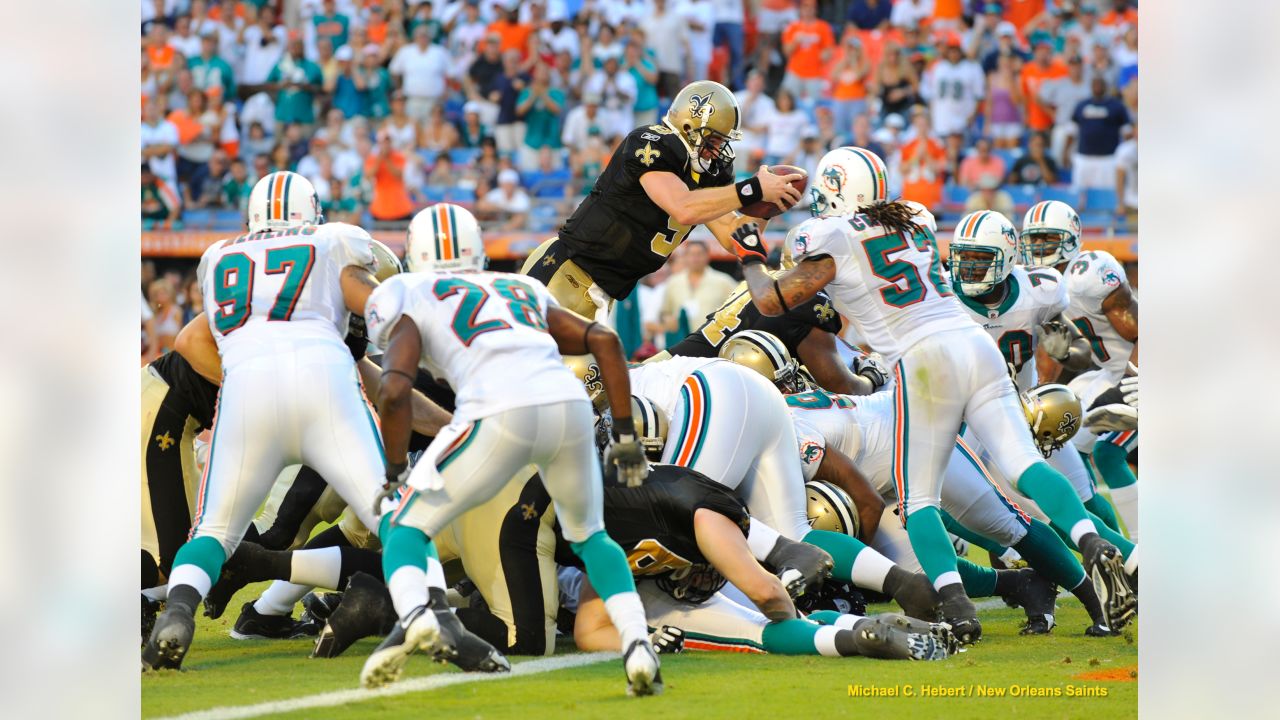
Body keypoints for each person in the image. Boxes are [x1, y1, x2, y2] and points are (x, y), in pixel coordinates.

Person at [726, 146, 1133, 644]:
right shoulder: (914, 218)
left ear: (837, 192)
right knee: (1025, 464)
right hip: (974, 345)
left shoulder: (830, 236)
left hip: (923, 362)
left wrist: (748, 252)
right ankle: (1090, 543)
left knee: (920, 498)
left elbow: (770, 299)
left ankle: (960, 611)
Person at [360, 202, 662, 695]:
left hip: (498, 410)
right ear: (477, 245)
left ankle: (417, 616)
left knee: (402, 522)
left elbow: (393, 391)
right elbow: (604, 341)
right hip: (568, 409)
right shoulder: (519, 287)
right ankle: (636, 644)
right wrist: (625, 436)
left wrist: (396, 471)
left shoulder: (407, 291)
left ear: (414, 251)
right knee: (591, 538)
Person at [142, 172, 392, 671]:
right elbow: (190, 343)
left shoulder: (219, 256)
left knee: (210, 534)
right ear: (311, 213)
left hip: (246, 398)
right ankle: (427, 612)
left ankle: (181, 613)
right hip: (282, 390)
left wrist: (246, 379)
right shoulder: (335, 240)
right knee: (394, 513)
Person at [785, 384, 1123, 635]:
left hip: (908, 437)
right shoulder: (771, 428)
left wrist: (845, 575)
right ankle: (1022, 584)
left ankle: (1098, 601)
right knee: (908, 578)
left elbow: (868, 503)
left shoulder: (790, 435)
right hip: (871, 465)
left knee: (1007, 524)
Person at [520, 80, 802, 321]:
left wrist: (767, 207)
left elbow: (733, 237)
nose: (718, 151)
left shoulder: (709, 171)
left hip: (604, 291)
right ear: (690, 125)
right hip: (566, 271)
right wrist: (753, 189)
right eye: (714, 140)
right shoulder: (650, 142)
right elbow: (683, 208)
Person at [1021, 201, 1140, 543]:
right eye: (1033, 239)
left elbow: (1138, 329)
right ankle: (1119, 548)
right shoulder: (1042, 285)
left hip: (1134, 373)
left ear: (1071, 238)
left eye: (1047, 238)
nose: (1039, 247)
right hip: (1109, 374)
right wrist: (1064, 353)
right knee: (1075, 445)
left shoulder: (1089, 273)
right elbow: (1083, 353)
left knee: (1106, 452)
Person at [657, 240, 738, 335]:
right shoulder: (674, 282)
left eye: (699, 254)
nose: (695, 258)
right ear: (685, 257)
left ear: (707, 256)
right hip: (681, 341)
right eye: (691, 254)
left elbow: (738, 308)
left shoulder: (723, 281)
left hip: (712, 340)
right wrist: (667, 319)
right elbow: (664, 311)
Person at [1069, 76, 1131, 193]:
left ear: (1105, 86)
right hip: (1084, 157)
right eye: (1095, 84)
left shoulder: (1116, 106)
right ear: (1091, 87)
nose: (1097, 87)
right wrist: (1065, 152)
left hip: (1108, 158)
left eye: (1100, 84)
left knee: (1108, 193)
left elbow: (1127, 132)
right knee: (1080, 194)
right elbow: (1072, 131)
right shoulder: (1082, 105)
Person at [922, 38, 985, 139]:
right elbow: (930, 95)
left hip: (963, 118)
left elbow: (979, 95)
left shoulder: (972, 67)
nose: (953, 54)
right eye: (951, 51)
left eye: (956, 50)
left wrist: (973, 115)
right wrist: (931, 117)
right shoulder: (937, 67)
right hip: (941, 118)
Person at [390, 24, 452, 123]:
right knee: (413, 130)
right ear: (415, 37)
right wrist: (399, 87)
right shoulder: (406, 51)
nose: (423, 38)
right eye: (420, 35)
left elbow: (451, 73)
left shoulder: (440, 52)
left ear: (429, 37)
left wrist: (446, 89)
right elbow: (394, 71)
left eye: (425, 35)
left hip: (434, 101)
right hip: (412, 100)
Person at [1040, 54, 1092, 169]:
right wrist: (1051, 113)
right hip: (1063, 124)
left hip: (1082, 128)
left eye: (1078, 66)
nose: (1075, 69)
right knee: (1057, 158)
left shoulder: (1088, 85)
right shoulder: (1060, 83)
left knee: (1077, 160)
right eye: (1073, 66)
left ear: (1082, 67)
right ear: (1069, 67)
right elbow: (1040, 97)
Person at [780, 0, 834, 104]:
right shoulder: (792, 27)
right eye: (805, 7)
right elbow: (786, 51)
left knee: (816, 104)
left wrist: (825, 55)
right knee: (786, 100)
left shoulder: (823, 27)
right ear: (800, 9)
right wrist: (796, 41)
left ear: (815, 9)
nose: (808, 10)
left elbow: (829, 50)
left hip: (815, 73)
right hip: (795, 71)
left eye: (811, 7)